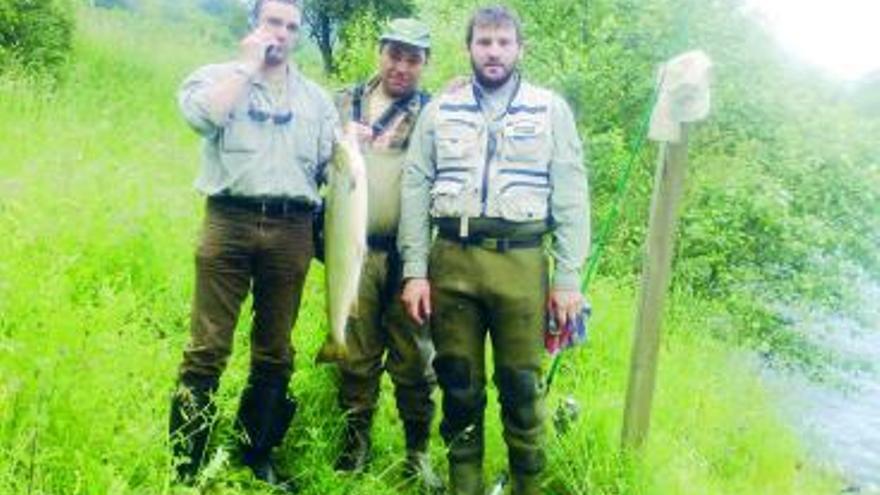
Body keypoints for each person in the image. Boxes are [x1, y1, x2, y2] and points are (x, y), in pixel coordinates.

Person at [398, 5, 590, 495]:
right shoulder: (439, 111)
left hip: (522, 263)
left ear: (519, 49)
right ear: (469, 49)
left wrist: (567, 280)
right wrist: (415, 271)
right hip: (453, 261)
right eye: (484, 42)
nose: (494, 52)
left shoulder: (550, 110)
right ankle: (466, 483)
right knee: (458, 382)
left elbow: (570, 194)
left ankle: (527, 481)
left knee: (522, 386)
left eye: (504, 42)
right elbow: (416, 190)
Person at [168, 0, 337, 486]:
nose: (281, 34)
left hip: (292, 229)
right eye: (272, 23)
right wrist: (247, 67)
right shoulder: (215, 77)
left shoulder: (315, 100)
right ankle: (186, 467)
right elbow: (203, 118)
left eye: (290, 26)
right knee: (207, 348)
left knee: (275, 349)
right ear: (254, 25)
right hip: (229, 221)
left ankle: (255, 454)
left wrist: (353, 147)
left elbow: (329, 169)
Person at [332, 18, 442, 491]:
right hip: (351, 252)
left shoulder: (435, 111)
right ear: (380, 53)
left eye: (412, 58)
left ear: (424, 64)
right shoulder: (341, 102)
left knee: (416, 361)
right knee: (354, 353)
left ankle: (417, 452)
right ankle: (355, 442)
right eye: (394, 54)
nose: (401, 66)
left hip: (409, 259)